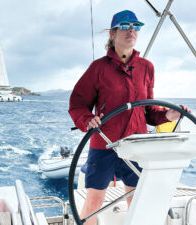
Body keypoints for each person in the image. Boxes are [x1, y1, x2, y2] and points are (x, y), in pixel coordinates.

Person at [68, 10, 189, 225]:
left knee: (137, 200)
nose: (131, 30)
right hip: (104, 144)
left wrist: (168, 115)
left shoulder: (147, 68)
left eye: (136, 26)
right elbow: (78, 104)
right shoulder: (98, 68)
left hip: (137, 144)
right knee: (94, 202)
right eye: (125, 26)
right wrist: (88, 119)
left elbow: (148, 111)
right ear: (113, 34)